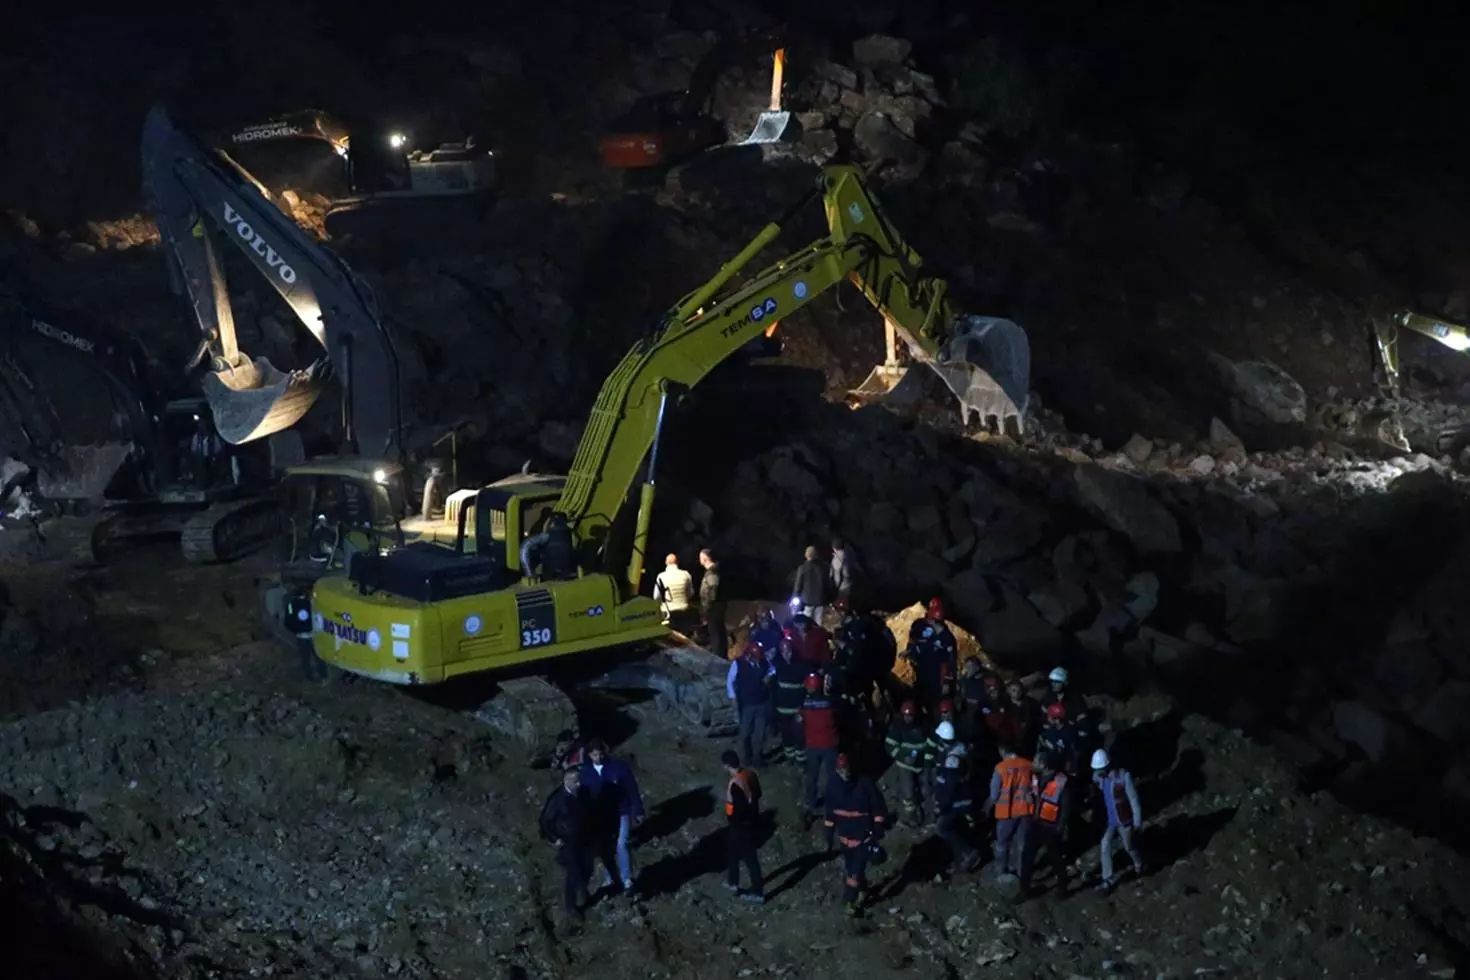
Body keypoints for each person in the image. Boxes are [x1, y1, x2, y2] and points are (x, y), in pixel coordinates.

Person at [823, 753, 888, 917]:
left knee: (853, 872)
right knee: (853, 869)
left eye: (847, 769)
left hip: (863, 838)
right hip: (845, 839)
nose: (845, 773)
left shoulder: (864, 784)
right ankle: (863, 889)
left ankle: (849, 902)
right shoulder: (832, 786)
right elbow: (830, 813)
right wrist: (828, 836)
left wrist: (878, 827)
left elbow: (878, 806)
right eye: (841, 770)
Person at [580, 739, 646, 897]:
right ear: (590, 755)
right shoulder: (586, 774)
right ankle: (610, 878)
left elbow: (631, 789)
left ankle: (626, 878)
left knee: (622, 844)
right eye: (595, 755)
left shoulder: (618, 768)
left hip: (621, 812)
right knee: (605, 848)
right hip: (601, 816)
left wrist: (637, 810)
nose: (598, 757)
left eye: (600, 754)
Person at [539, 767, 596, 923]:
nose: (577, 784)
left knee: (588, 868)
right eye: (574, 781)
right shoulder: (557, 799)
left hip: (584, 837)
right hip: (567, 839)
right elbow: (545, 821)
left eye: (578, 780)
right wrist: (554, 838)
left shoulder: (584, 793)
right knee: (573, 872)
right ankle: (571, 906)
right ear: (566, 780)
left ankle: (583, 889)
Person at [1091, 749, 1145, 893]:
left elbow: (1133, 798)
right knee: (1104, 845)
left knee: (1129, 847)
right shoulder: (1099, 778)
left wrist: (1137, 820)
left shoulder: (1123, 777)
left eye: (1101, 769)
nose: (1098, 772)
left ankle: (1139, 864)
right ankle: (1107, 879)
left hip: (1125, 819)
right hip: (1111, 820)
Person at [1023, 752, 1072, 900]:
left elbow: (1066, 806)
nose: (1033, 763)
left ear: (1044, 765)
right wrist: (1028, 797)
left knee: (1056, 859)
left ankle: (1062, 888)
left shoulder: (1061, 782)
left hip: (1051, 827)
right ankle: (1024, 890)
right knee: (1026, 857)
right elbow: (1034, 794)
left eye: (1036, 762)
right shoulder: (1036, 777)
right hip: (1035, 823)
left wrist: (1060, 828)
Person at [722, 750, 766, 904]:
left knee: (750, 859)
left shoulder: (735, 784)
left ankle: (757, 893)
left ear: (727, 765)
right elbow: (758, 794)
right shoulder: (750, 775)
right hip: (751, 822)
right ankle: (733, 883)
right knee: (732, 853)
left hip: (741, 826)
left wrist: (732, 819)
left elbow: (738, 809)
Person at [986, 744, 1035, 880]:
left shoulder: (1000, 768)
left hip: (1007, 812)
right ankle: (1022, 873)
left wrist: (992, 804)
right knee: (1022, 844)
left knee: (1002, 843)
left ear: (1002, 751)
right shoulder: (1029, 764)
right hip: (1025, 809)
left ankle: (1002, 872)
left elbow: (994, 794)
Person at [905, 598, 958, 717]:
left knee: (935, 706)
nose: (936, 624)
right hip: (921, 671)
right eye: (934, 621)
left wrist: (946, 683)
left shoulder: (946, 638)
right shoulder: (919, 626)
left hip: (936, 677)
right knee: (918, 700)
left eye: (939, 622)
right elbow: (913, 642)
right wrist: (910, 652)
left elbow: (950, 663)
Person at [799, 672, 840, 821]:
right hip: (830, 744)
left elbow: (800, 721)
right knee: (832, 775)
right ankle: (834, 803)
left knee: (812, 775)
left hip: (813, 745)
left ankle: (811, 802)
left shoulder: (804, 705)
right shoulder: (831, 702)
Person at [727, 643, 775, 767]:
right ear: (749, 655)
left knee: (759, 733)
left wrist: (769, 676)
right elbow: (730, 681)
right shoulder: (738, 664)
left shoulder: (763, 661)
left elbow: (772, 669)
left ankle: (757, 758)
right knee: (745, 733)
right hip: (746, 705)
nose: (758, 660)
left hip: (761, 703)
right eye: (756, 658)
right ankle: (746, 759)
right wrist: (733, 699)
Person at [884, 700, 930, 827]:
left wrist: (928, 759)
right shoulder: (898, 726)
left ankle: (923, 808)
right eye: (905, 715)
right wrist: (903, 757)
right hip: (905, 765)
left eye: (910, 716)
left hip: (922, 764)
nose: (907, 718)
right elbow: (889, 745)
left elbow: (930, 742)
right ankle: (912, 815)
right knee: (908, 792)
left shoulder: (924, 724)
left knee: (926, 789)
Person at [933, 752, 980, 876]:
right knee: (953, 832)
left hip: (952, 808)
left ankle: (968, 852)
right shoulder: (959, 772)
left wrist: (939, 807)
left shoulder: (949, 776)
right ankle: (961, 859)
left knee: (941, 830)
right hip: (959, 807)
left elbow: (946, 795)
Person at [772, 639, 809, 766]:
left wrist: (803, 708)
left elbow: (806, 688)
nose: (787, 654)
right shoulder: (776, 665)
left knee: (799, 737)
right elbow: (772, 688)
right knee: (786, 737)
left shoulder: (800, 665)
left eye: (788, 651)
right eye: (784, 651)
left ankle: (801, 761)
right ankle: (790, 758)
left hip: (797, 710)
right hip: (782, 710)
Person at [521, 512, 577, 581]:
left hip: (549, 576)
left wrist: (529, 573)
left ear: (551, 523)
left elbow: (525, 547)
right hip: (569, 575)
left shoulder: (546, 536)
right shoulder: (571, 535)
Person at [1036, 703, 1080, 777]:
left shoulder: (1069, 732)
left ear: (1057, 720)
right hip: (1050, 768)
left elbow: (1071, 753)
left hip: (1063, 770)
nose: (1048, 718)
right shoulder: (1051, 730)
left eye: (1050, 716)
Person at [699, 548, 728, 659]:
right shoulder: (714, 570)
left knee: (715, 632)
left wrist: (708, 607)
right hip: (717, 606)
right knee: (718, 631)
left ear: (705, 558)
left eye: (700, 556)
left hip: (714, 607)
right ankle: (720, 654)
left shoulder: (712, 572)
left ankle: (718, 656)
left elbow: (713, 589)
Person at [654, 553, 694, 630]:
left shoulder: (661, 576)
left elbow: (656, 596)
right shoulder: (686, 574)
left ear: (666, 563)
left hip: (667, 611)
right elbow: (691, 593)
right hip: (683, 609)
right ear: (677, 562)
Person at [791, 545, 828, 624]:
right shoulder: (821, 568)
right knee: (818, 624)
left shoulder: (802, 568)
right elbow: (826, 584)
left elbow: (798, 585)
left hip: (807, 601)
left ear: (806, 555)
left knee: (806, 623)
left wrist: (795, 596)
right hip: (820, 600)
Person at [829, 538, 854, 608]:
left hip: (842, 588)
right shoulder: (849, 554)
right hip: (850, 584)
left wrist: (836, 587)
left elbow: (838, 576)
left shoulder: (837, 559)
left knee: (841, 608)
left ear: (834, 548)